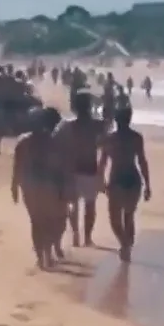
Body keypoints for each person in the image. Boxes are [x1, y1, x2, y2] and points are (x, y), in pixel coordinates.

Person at [11, 108, 67, 269]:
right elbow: (60, 169)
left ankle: (40, 256)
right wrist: (63, 188)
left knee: (37, 221)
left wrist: (14, 187)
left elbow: (17, 167)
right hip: (48, 185)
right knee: (49, 221)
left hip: (30, 186)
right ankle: (46, 255)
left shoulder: (23, 141)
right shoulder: (52, 142)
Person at [98, 107, 151, 262]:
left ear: (116, 119)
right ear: (129, 119)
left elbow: (102, 162)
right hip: (133, 180)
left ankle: (125, 244)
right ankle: (127, 245)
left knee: (115, 219)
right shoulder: (136, 138)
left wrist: (101, 181)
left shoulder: (110, 139)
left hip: (117, 180)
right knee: (128, 216)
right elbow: (142, 161)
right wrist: (147, 184)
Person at [54, 90, 105, 247]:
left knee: (73, 204)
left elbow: (55, 142)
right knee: (90, 206)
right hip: (90, 168)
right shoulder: (97, 125)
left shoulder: (67, 126)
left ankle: (76, 234)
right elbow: (105, 146)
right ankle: (87, 238)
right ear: (89, 107)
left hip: (72, 169)